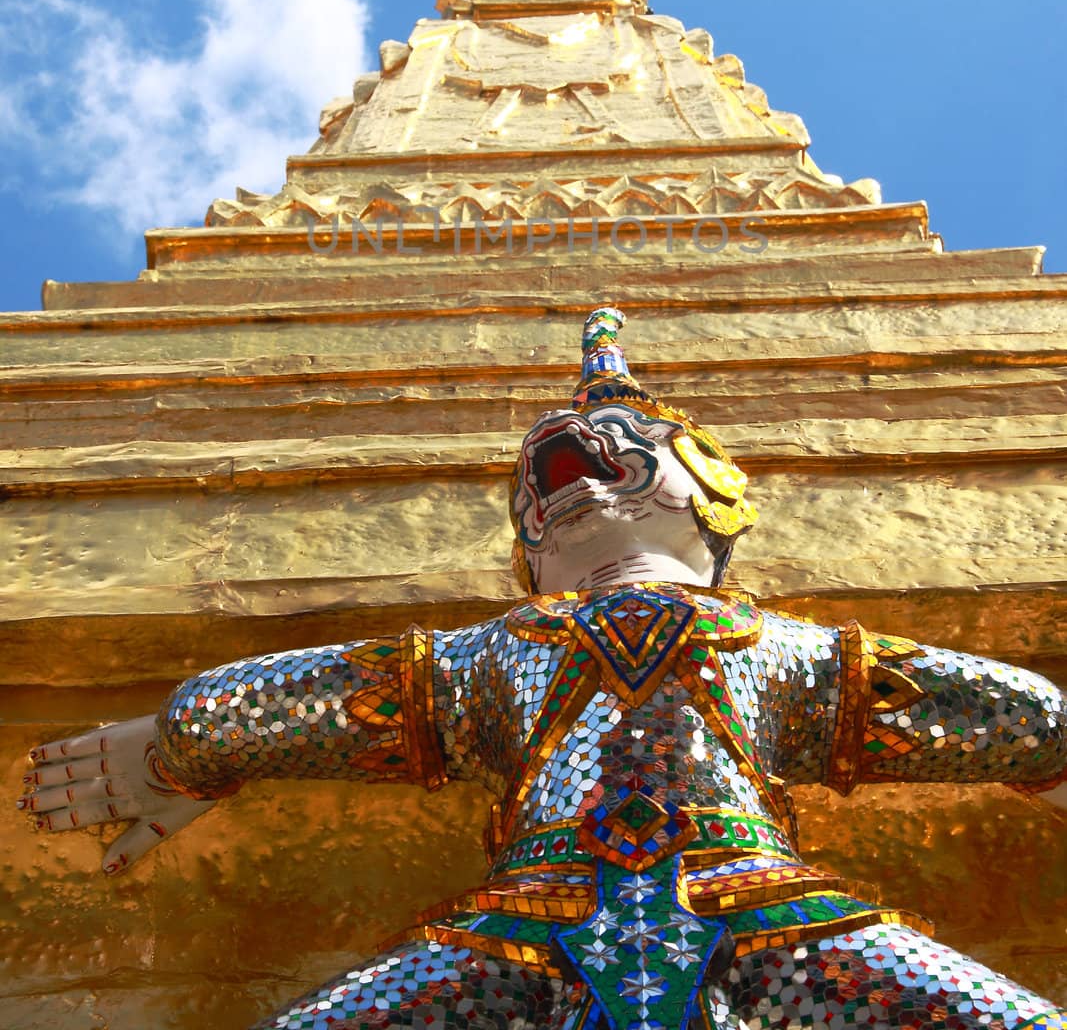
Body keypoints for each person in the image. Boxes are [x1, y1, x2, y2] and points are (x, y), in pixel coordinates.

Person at [18, 308, 1067, 1030]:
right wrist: (185, 746)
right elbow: (294, 701)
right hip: (637, 923)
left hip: (632, 921)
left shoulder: (770, 650)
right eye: (554, 470)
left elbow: (1003, 713)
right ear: (526, 553)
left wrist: (182, 753)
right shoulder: (504, 656)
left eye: (623, 445)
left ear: (714, 497)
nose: (580, 463)